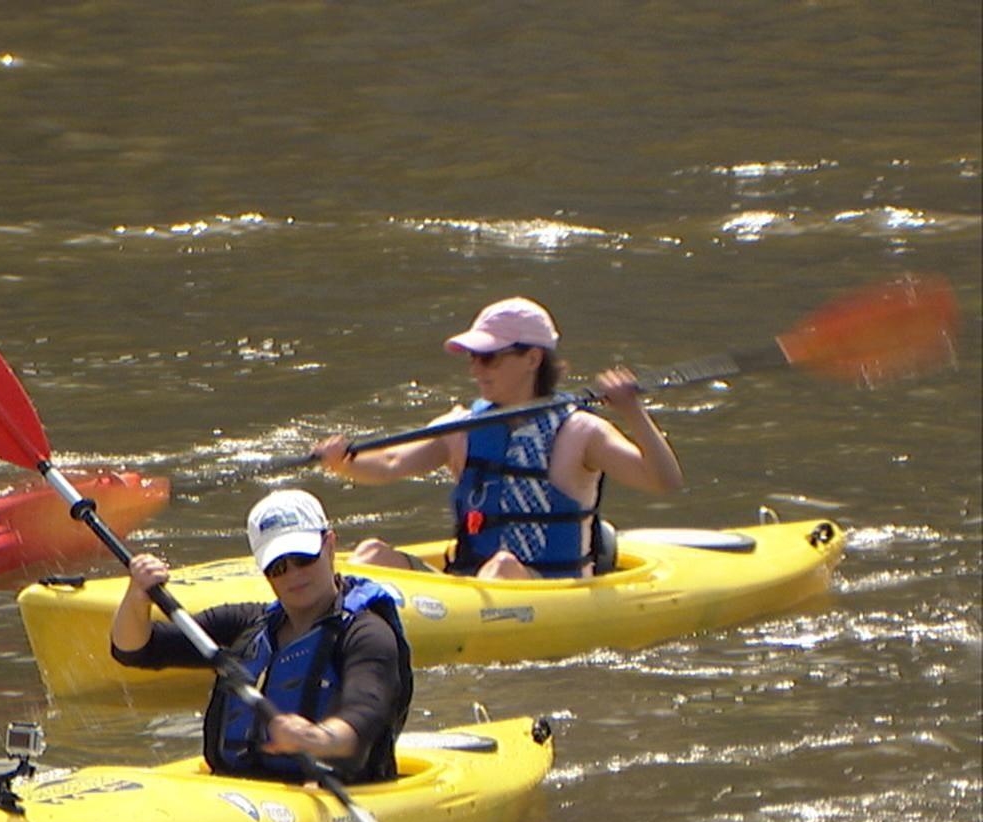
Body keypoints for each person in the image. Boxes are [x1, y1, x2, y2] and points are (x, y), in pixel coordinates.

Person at [313, 297, 684, 579]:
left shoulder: (580, 432)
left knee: (503, 566)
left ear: (533, 358)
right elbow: (390, 464)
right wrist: (343, 461)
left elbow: (663, 481)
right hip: (470, 583)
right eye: (473, 358)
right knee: (371, 553)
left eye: (489, 358)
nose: (475, 368)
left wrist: (632, 412)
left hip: (547, 587)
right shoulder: (462, 427)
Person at [109, 490, 412, 785]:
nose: (293, 575)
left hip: (331, 795)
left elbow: (366, 713)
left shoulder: (367, 633)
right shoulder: (248, 625)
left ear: (330, 545)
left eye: (304, 559)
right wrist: (137, 596)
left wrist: (316, 738)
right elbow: (135, 649)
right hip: (242, 788)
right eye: (278, 567)